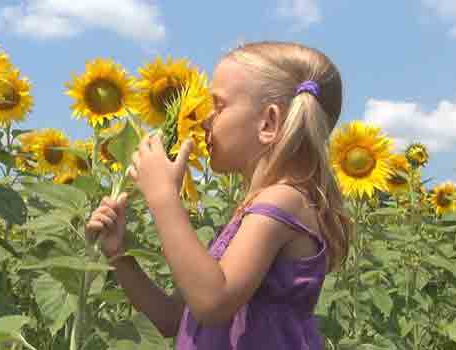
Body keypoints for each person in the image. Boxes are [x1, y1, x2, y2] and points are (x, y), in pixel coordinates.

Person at [85, 41, 353, 350]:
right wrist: (118, 254)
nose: (205, 119)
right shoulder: (256, 209)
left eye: (219, 105)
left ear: (268, 123)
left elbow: (212, 303)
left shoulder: (282, 202)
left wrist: (163, 196)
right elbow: (173, 318)